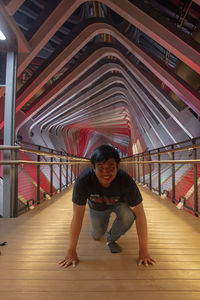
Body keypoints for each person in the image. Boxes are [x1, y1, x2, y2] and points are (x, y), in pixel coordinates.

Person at [59, 145, 155, 268]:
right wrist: (71, 251)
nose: (106, 172)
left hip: (119, 204)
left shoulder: (126, 180)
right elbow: (77, 216)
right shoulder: (83, 181)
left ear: (118, 166)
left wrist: (144, 250)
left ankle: (111, 237)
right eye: (101, 167)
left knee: (129, 215)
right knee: (97, 234)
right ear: (93, 167)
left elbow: (140, 213)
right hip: (97, 207)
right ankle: (101, 229)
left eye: (111, 166)